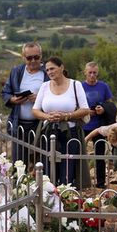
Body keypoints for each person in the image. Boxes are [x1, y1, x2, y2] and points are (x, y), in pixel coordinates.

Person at [32, 57, 91, 186]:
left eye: (52, 68)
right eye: (47, 70)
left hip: (70, 132)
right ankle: (49, 198)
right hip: (48, 132)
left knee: (68, 169)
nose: (50, 72)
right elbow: (35, 110)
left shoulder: (76, 85)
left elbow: (85, 109)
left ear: (62, 68)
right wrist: (47, 117)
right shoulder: (44, 86)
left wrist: (66, 116)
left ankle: (65, 198)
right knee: (48, 167)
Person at [1, 42, 46, 163]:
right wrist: (13, 99)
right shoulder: (16, 71)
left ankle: (43, 182)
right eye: (29, 58)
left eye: (36, 57)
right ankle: (19, 181)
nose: (33, 60)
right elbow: (5, 92)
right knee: (19, 162)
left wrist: (40, 99)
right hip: (19, 125)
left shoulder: (47, 73)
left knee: (41, 161)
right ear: (23, 57)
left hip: (40, 126)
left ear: (41, 56)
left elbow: (57, 95)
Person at [81, 61, 115, 188]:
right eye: (89, 72)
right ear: (85, 72)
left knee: (100, 156)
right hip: (83, 125)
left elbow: (110, 104)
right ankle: (81, 182)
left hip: (99, 125)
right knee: (79, 154)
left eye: (94, 72)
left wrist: (103, 109)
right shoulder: (79, 86)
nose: (92, 75)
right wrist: (86, 111)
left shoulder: (103, 86)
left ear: (98, 73)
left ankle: (100, 183)